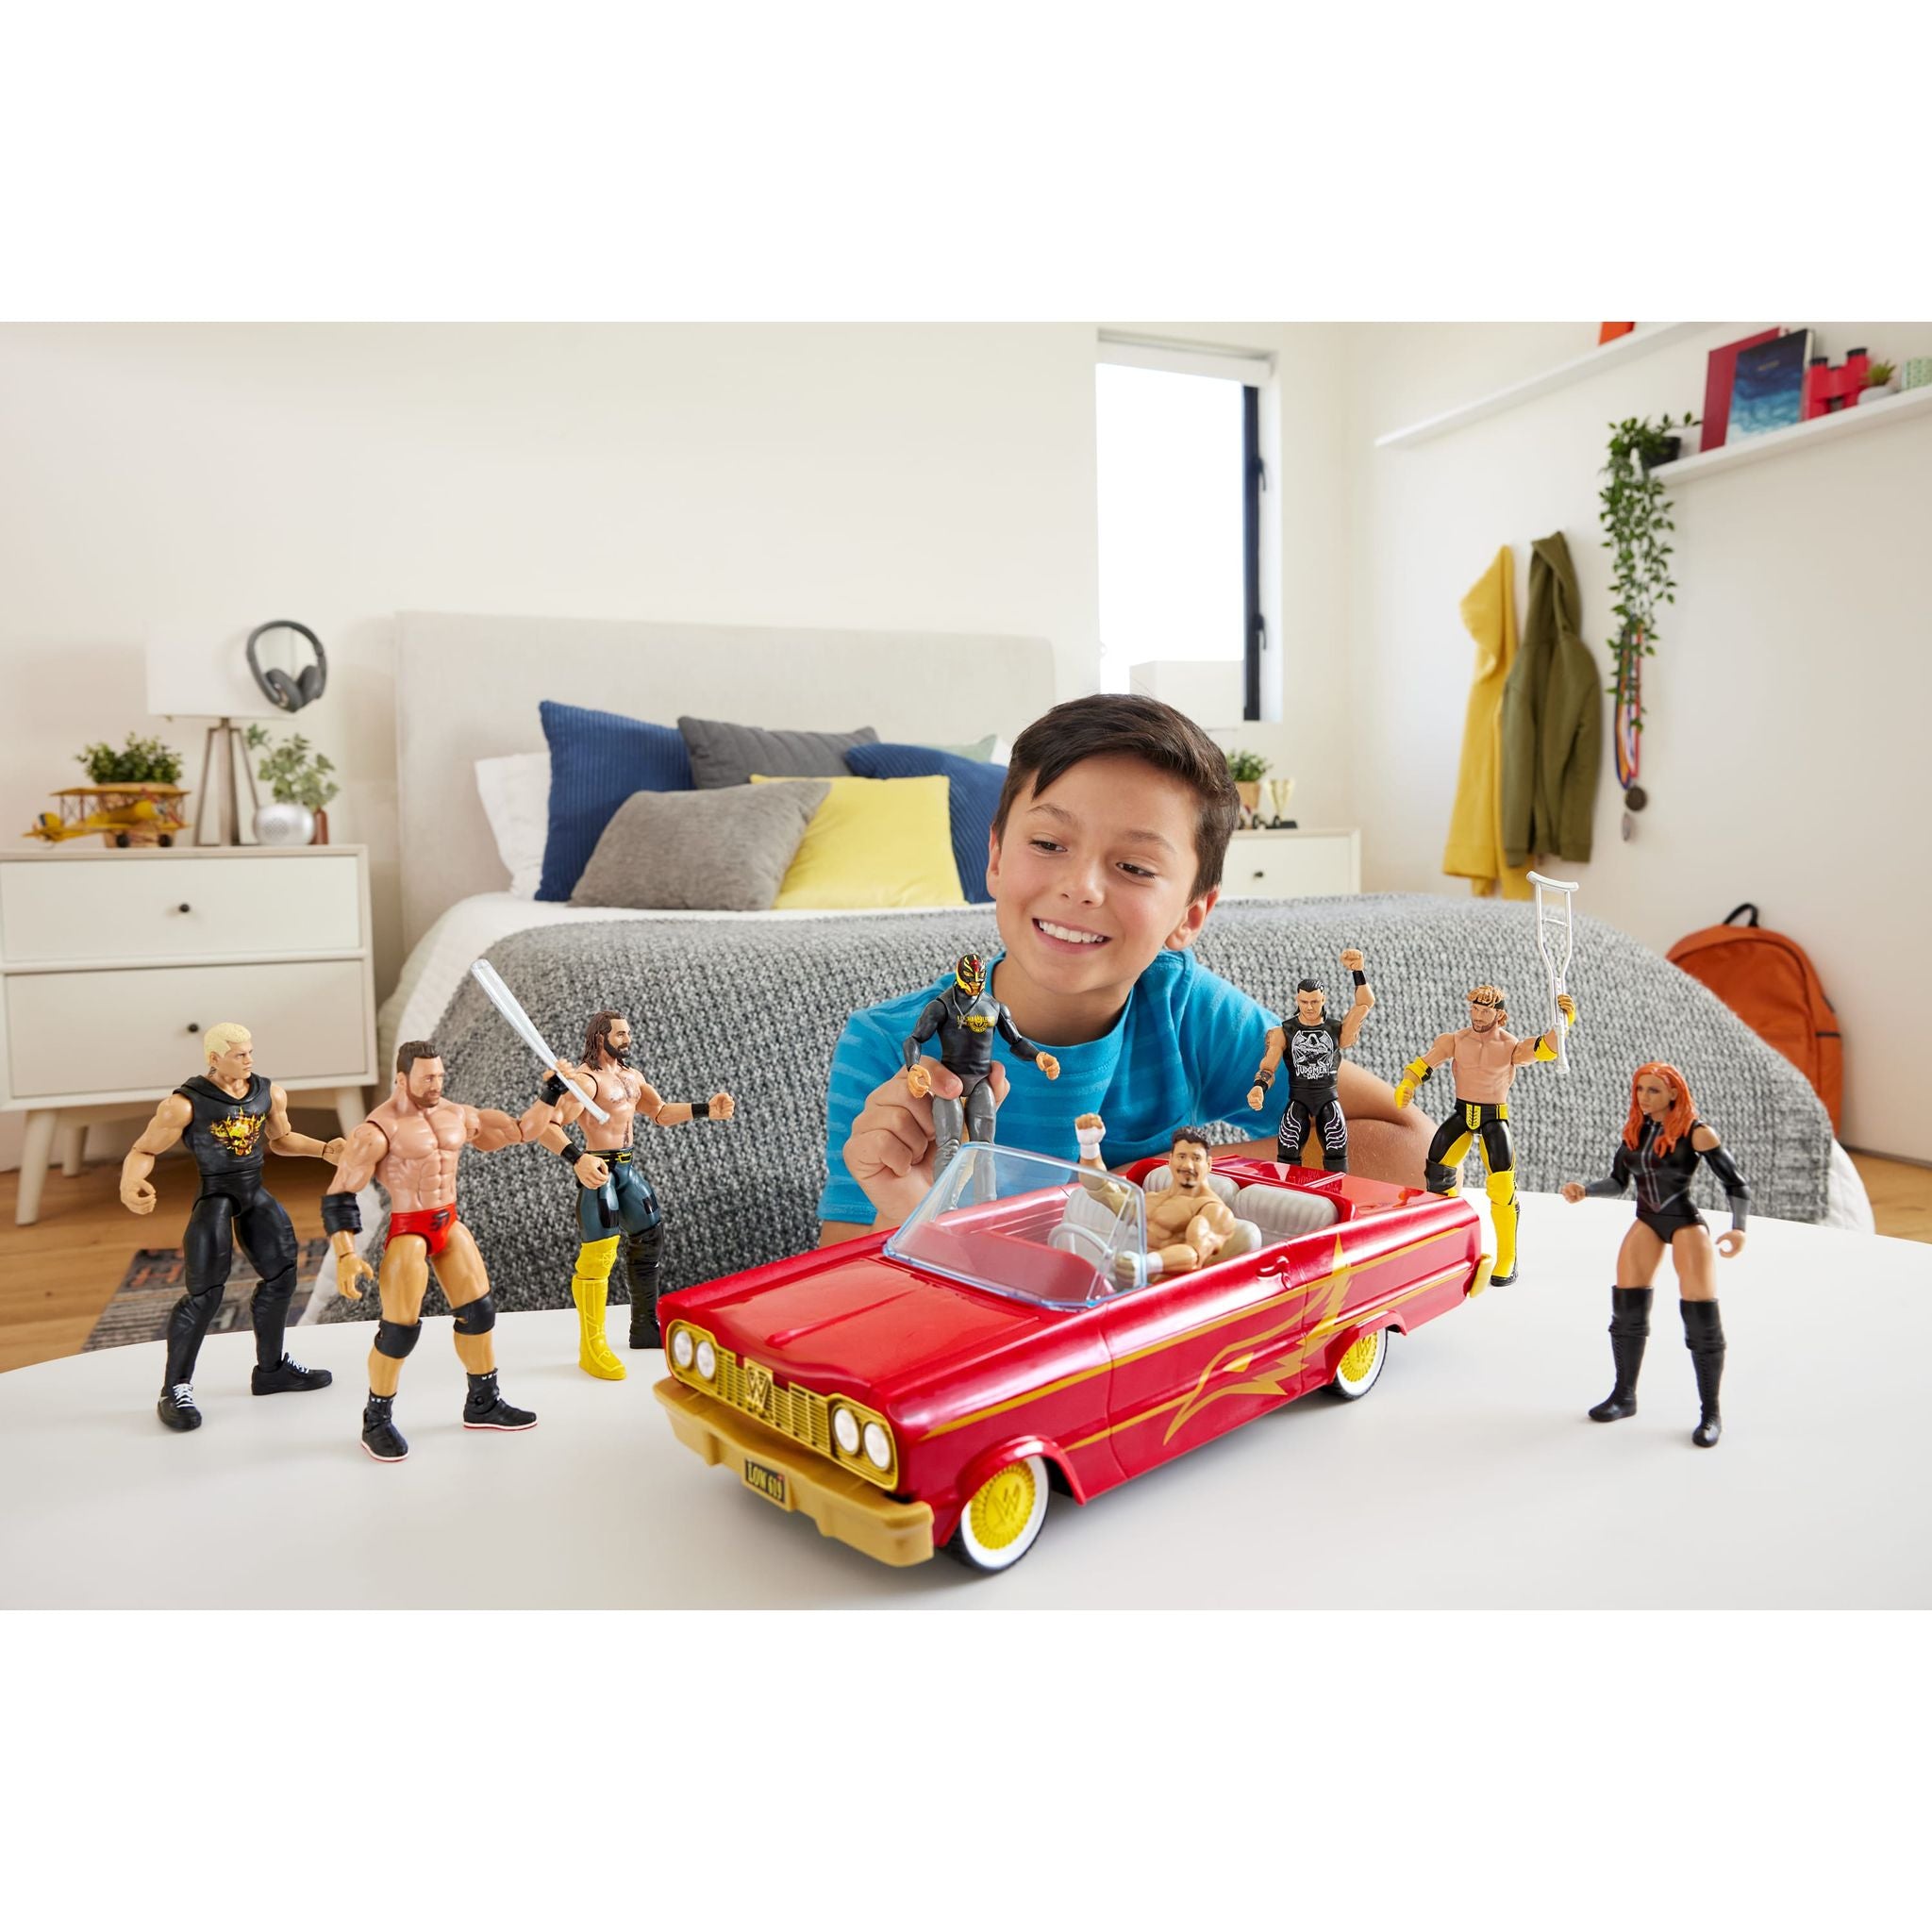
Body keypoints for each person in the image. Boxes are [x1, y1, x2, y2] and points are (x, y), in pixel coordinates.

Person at [818, 694, 1428, 1243]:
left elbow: (1410, 1144)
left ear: (1189, 915)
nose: (1081, 887)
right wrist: (912, 1212)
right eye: (1048, 844)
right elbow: (840, 1299)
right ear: (996, 857)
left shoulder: (1183, 1010)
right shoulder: (886, 1049)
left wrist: (1150, 1179)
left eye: (1135, 867)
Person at [324, 1041, 551, 1463]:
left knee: (479, 1313)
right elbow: (339, 1195)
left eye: (440, 1076)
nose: (436, 1084)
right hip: (408, 1229)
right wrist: (345, 1254)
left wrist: (553, 1094)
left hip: (448, 1222)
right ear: (402, 1078)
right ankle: (376, 1419)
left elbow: (521, 1130)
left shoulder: (458, 1115)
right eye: (427, 1077)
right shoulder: (377, 1131)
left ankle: (483, 1401)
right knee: (399, 1331)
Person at [119, 1022, 346, 1431]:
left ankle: (272, 1369)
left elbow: (281, 1139)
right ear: (214, 1058)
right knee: (204, 1294)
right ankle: (174, 1388)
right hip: (215, 1196)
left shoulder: (267, 1092)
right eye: (240, 1054)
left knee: (283, 1275)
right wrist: (130, 1181)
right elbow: (144, 1149)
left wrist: (325, 1150)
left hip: (254, 1192)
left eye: (250, 1052)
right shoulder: (184, 1104)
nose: (249, 1060)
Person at [526, 1008, 735, 1374]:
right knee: (598, 1257)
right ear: (600, 1038)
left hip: (626, 1169)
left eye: (628, 1033)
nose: (628, 1039)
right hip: (599, 1170)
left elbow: (660, 1112)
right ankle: (592, 1347)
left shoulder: (631, 1077)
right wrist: (577, 1159)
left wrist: (706, 1110)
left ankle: (644, 1327)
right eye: (620, 1034)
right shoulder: (586, 1082)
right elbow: (545, 1126)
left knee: (650, 1238)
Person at [1560, 1061, 1749, 1448]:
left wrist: (1739, 1228)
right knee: (1626, 1305)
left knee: (1699, 1314)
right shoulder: (1636, 1131)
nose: (1644, 1097)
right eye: (1640, 1089)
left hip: (1684, 1222)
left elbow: (1735, 1183)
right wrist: (1587, 1190)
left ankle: (1710, 1413)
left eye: (1654, 1090)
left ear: (1674, 1093)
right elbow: (1619, 1182)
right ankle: (1624, 1395)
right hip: (1647, 1219)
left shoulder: (1697, 1133)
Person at [1391, 983, 1576, 1286]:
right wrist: (1408, 1083)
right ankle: (1448, 1243)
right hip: (1462, 1114)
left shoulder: (1510, 1046)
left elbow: (1544, 1048)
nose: (1477, 1015)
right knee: (1437, 1174)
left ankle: (1507, 1257)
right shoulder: (1456, 1040)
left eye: (1484, 1011)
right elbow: (1426, 1062)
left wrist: (1562, 1025)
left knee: (1502, 1186)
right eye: (1474, 1009)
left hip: (1494, 1117)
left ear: (1499, 1014)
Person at [1245, 949, 1374, 1171]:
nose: (1309, 1007)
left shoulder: (1335, 1030)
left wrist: (1358, 972)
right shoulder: (1284, 1032)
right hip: (1299, 1098)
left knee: (1336, 1151)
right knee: (1288, 1152)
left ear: (1323, 999)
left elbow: (1365, 1004)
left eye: (1314, 1001)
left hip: (1328, 1097)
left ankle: (1337, 1191)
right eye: (1304, 1001)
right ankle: (1288, 1191)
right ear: (1298, 999)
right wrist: (1259, 1087)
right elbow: (1268, 1066)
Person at [1076, 1118, 1235, 1282]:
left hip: (1176, 1289)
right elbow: (1101, 1187)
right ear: (1170, 1161)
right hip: (1136, 1284)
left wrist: (1145, 1264)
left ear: (1209, 1164)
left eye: (1196, 1158)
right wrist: (1089, 1147)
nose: (1188, 1165)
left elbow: (1195, 1255)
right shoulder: (1152, 1199)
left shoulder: (1213, 1210)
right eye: (1181, 1156)